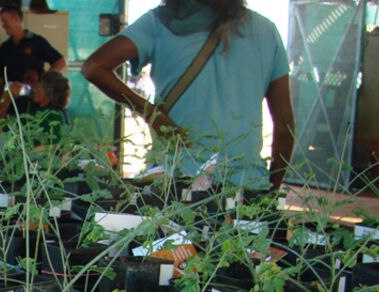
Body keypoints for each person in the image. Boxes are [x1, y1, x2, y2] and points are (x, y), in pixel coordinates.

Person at [81, 0, 294, 190]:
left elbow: (94, 67)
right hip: (245, 186)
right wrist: (270, 191)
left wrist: (152, 115)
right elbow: (285, 128)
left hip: (176, 183)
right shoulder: (267, 32)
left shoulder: (160, 23)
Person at [0, 5, 66, 104]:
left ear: (16, 19)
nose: (3, 25)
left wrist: (43, 82)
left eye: (5, 21)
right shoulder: (5, 47)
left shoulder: (36, 42)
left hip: (33, 100)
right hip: (11, 101)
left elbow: (61, 62)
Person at [0, 70, 70, 145]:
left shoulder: (39, 117)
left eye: (38, 83)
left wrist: (7, 98)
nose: (33, 86)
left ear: (47, 90)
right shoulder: (60, 115)